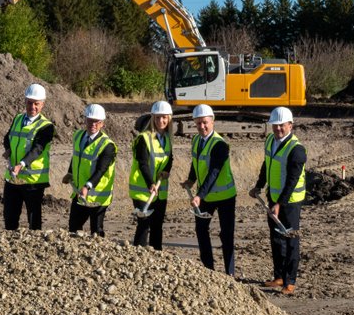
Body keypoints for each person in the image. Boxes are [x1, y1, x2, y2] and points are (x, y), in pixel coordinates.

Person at [250, 106, 307, 295]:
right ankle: (279, 276)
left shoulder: (297, 150)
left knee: (290, 239)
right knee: (276, 238)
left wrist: (279, 204)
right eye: (275, 126)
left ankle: (290, 281)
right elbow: (266, 165)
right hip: (273, 198)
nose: (278, 129)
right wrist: (259, 185)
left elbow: (291, 181)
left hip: (290, 202)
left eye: (281, 125)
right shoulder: (270, 141)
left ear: (290, 125)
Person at [181, 104, 237, 276]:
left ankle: (230, 274)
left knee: (226, 235)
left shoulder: (220, 145)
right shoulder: (196, 140)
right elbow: (195, 162)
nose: (202, 127)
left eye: (205, 122)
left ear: (212, 121)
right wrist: (191, 179)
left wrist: (199, 195)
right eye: (198, 124)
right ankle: (209, 271)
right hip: (205, 195)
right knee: (201, 230)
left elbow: (214, 172)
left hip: (225, 196)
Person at [2, 83, 54, 230]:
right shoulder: (18, 119)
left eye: (36, 104)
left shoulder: (46, 126)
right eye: (30, 103)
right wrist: (8, 149)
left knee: (34, 219)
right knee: (10, 216)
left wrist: (22, 164)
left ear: (42, 104)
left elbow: (37, 149)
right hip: (13, 178)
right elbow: (8, 137)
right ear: (25, 102)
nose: (33, 107)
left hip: (33, 181)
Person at [63, 103, 117, 237]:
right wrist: (70, 173)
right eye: (90, 120)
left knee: (96, 231)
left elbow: (101, 170)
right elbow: (76, 157)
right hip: (79, 192)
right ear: (85, 120)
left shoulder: (107, 146)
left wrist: (88, 186)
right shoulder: (78, 136)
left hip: (98, 196)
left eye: (96, 122)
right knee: (73, 228)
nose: (93, 124)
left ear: (102, 123)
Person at [128, 101, 173, 250]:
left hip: (159, 192)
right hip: (143, 191)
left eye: (164, 117)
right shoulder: (144, 138)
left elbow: (169, 159)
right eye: (158, 117)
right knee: (144, 224)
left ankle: (157, 256)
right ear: (153, 118)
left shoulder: (167, 139)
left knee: (157, 225)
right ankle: (139, 255)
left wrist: (166, 171)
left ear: (169, 119)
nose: (161, 121)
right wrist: (150, 183)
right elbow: (143, 163)